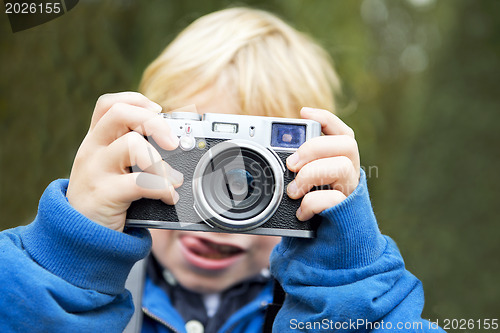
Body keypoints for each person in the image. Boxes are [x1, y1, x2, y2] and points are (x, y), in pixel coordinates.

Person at [0, 7, 444, 333]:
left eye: (257, 175)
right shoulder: (86, 283)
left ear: (312, 176)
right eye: (200, 161)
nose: (223, 206)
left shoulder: (323, 305)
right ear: (143, 147)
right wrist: (67, 261)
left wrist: (350, 284)